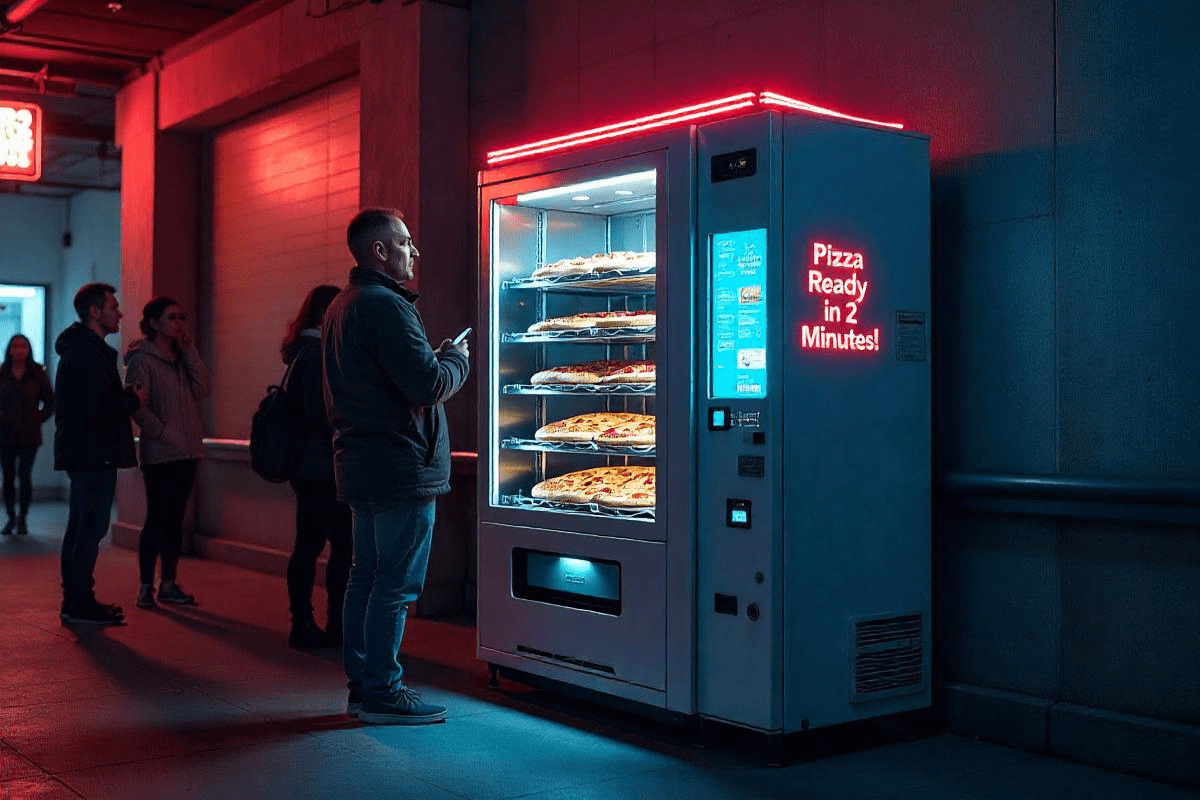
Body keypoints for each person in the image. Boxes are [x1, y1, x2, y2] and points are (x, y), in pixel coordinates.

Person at [322, 208, 469, 725]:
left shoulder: (343, 305)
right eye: (406, 242)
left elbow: (379, 382)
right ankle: (385, 690)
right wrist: (456, 359)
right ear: (380, 251)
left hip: (362, 465)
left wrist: (431, 359)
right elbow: (427, 386)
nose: (415, 251)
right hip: (402, 467)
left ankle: (363, 688)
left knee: (365, 578)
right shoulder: (386, 306)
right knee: (396, 585)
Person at [55, 282, 148, 625]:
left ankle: (77, 599)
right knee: (88, 530)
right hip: (93, 452)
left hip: (87, 451)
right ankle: (78, 602)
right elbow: (98, 408)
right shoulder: (86, 352)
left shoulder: (85, 350)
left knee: (81, 528)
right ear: (95, 311)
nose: (120, 313)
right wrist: (134, 400)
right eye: (113, 306)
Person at [124, 297, 212, 609]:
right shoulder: (141, 360)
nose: (178, 322)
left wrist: (189, 352)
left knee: (176, 520)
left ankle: (169, 583)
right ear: (154, 323)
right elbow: (136, 405)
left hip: (187, 452)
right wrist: (161, 432)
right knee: (157, 518)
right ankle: (146, 586)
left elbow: (203, 389)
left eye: (182, 317)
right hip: (160, 452)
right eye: (172, 317)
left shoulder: (180, 357)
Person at [280, 285, 351, 649]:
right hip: (321, 468)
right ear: (326, 313)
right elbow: (321, 413)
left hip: (309, 467)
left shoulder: (302, 353)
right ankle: (318, 624)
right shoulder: (315, 356)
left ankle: (310, 623)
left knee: (313, 546)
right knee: (336, 546)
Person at [0, 334, 56, 535]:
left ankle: (23, 516)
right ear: (9, 349)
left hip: (29, 434)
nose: (19, 350)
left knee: (25, 475)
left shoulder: (37, 373)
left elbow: (50, 402)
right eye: (15, 346)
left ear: (29, 349)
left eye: (23, 346)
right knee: (7, 477)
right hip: (5, 434)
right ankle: (10, 517)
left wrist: (37, 418)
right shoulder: (2, 372)